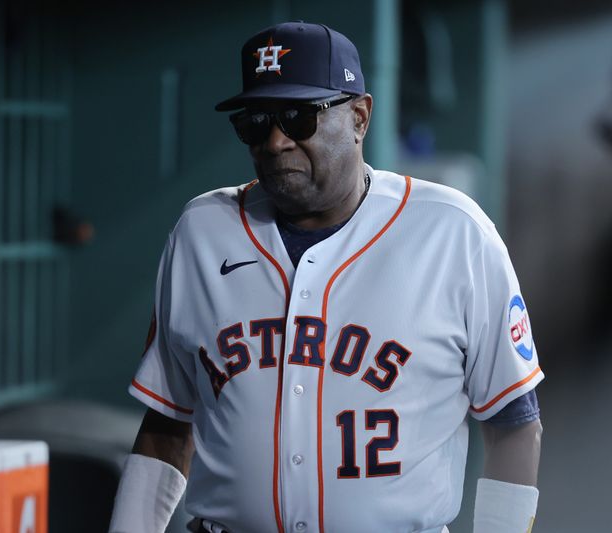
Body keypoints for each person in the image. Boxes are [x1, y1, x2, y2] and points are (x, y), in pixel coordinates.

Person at [109, 21, 543, 533]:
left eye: (298, 117)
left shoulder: (454, 232)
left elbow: (514, 425)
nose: (274, 141)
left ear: (359, 117)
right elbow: (167, 423)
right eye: (256, 121)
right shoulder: (201, 232)